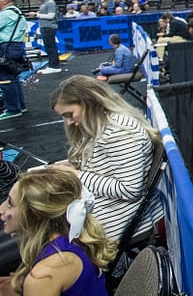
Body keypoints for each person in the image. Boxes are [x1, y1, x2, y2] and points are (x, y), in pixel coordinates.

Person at [48, 75, 164, 241]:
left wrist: (76, 175)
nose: (68, 122)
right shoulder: (102, 126)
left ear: (89, 103)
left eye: (69, 114)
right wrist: (74, 167)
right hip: (110, 211)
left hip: (115, 221)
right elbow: (106, 168)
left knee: (43, 227)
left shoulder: (118, 133)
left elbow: (130, 190)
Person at [0, 170, 117, 295]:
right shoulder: (73, 237)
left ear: (35, 215)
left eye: (10, 204)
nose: (1, 208)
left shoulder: (43, 275)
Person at [0, 0, 28, 120]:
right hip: (16, 46)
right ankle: (20, 106)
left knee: (5, 78)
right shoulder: (17, 12)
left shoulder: (5, 14)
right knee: (13, 77)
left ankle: (13, 109)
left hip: (7, 47)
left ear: (4, 0)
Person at [29, 0, 62, 74]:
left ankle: (54, 66)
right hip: (45, 27)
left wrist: (37, 15)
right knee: (49, 47)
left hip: (49, 27)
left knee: (51, 47)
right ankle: (52, 65)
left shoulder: (50, 3)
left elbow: (51, 16)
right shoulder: (44, 4)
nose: (37, 0)